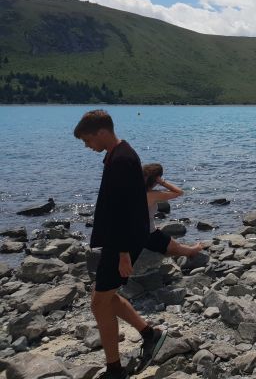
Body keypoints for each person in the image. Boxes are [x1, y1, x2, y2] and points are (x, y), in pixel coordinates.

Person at [73, 110, 167, 379]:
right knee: (105, 297)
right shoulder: (119, 155)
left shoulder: (122, 160)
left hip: (121, 243)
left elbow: (124, 211)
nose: (87, 146)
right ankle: (150, 334)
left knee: (99, 303)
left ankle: (115, 370)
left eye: (87, 140)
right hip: (119, 241)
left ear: (101, 132)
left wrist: (124, 253)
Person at [142, 163, 205, 258]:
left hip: (132, 232)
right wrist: (162, 182)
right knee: (181, 248)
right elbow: (179, 192)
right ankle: (192, 250)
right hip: (147, 235)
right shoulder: (153, 195)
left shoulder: (132, 191)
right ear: (156, 179)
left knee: (171, 243)